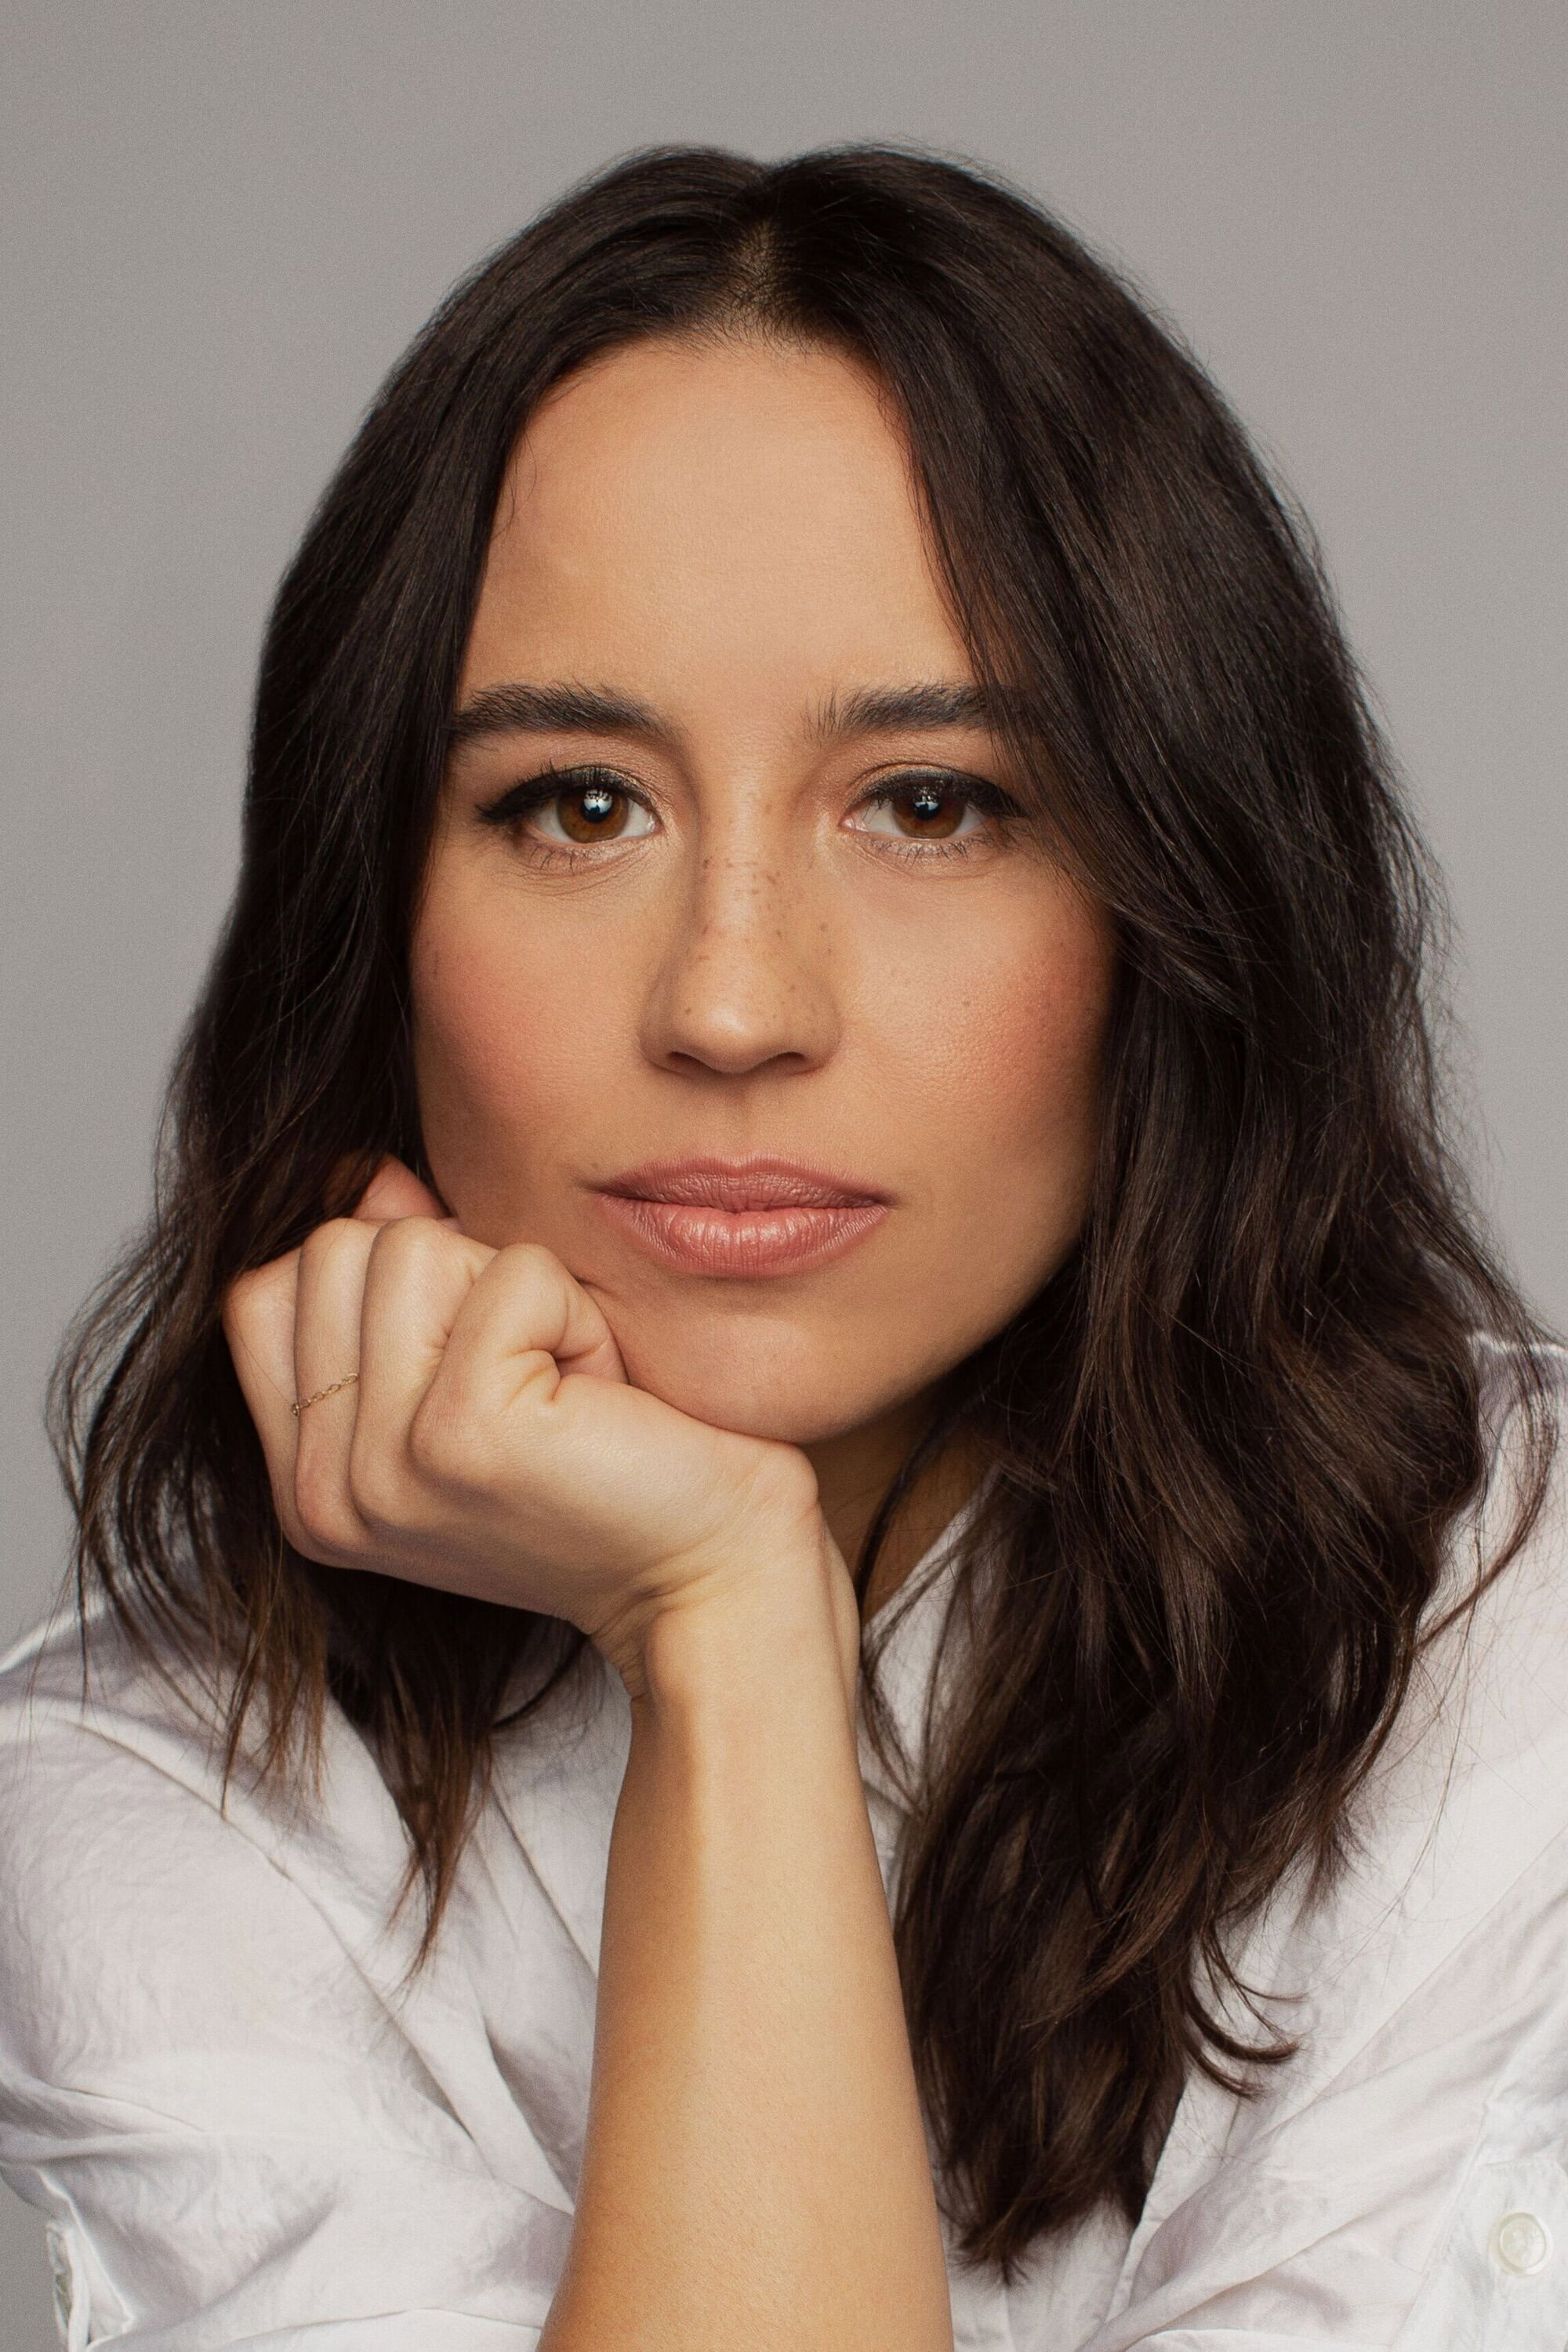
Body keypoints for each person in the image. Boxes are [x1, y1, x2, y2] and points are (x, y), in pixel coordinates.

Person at [2, 140, 1563, 2352]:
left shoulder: (1511, 1625)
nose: (733, 1005)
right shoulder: (153, 1791)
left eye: (931, 805)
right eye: (581, 804)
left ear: (1173, 904)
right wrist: (724, 1628)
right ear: (377, 917)